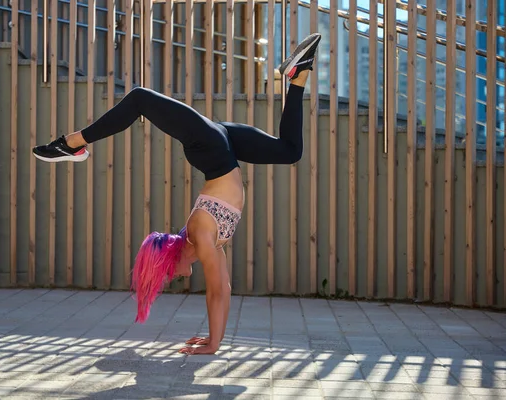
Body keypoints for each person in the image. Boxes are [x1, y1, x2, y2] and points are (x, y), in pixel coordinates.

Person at [32, 32, 322, 355]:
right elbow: (224, 287)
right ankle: (299, 74)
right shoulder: (209, 241)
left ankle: (72, 143)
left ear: (169, 261)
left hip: (210, 146)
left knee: (140, 98)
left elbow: (215, 292)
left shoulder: (199, 233)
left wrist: (212, 344)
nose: (175, 277)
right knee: (290, 151)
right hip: (219, 146)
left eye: (167, 274)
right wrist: (215, 340)